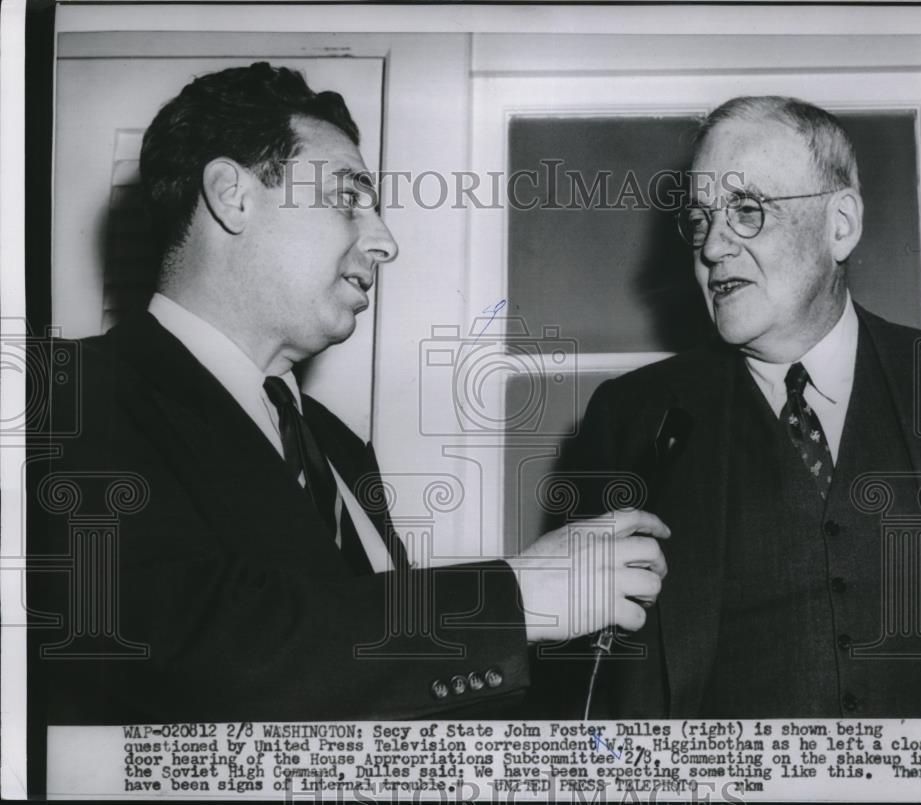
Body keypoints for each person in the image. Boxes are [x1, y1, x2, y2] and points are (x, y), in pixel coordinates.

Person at [28, 62, 669, 725]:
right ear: (232, 196)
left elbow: (368, 681)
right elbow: (169, 648)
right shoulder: (67, 393)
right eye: (348, 198)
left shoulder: (337, 447)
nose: (385, 241)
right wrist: (513, 598)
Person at [532, 96, 921, 719]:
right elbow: (589, 690)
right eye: (700, 220)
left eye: (747, 210)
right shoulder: (629, 419)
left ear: (840, 225)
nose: (713, 247)